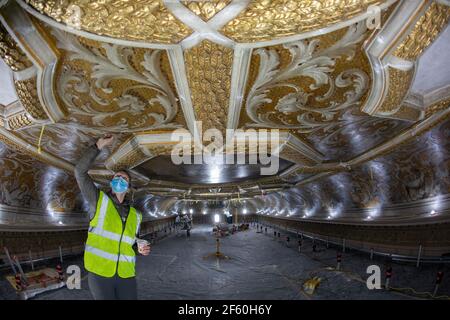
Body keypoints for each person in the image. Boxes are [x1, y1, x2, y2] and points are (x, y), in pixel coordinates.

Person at [74, 135, 151, 300]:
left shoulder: (136, 215)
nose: (119, 179)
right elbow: (79, 172)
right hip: (100, 274)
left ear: (128, 187)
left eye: (124, 178)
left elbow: (129, 243)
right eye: (116, 177)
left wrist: (140, 247)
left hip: (126, 275)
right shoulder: (99, 200)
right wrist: (97, 146)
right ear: (111, 183)